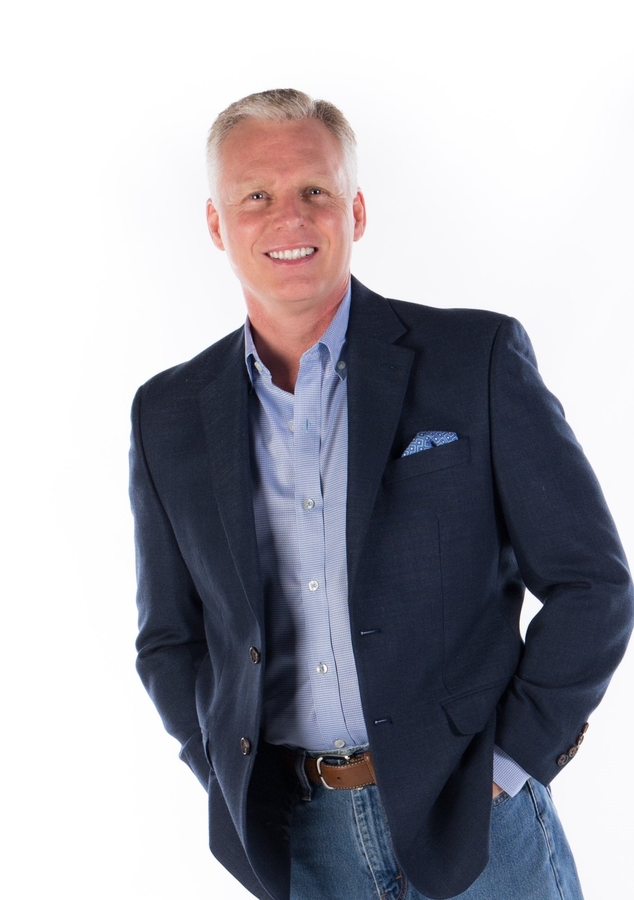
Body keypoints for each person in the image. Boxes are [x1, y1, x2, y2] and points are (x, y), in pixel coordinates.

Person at [129, 89, 634, 900]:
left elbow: (593, 586)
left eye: (314, 190)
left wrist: (509, 765)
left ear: (355, 211)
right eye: (255, 196)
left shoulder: (475, 358)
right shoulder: (168, 414)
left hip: (480, 827)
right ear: (218, 224)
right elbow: (169, 639)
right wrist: (226, 770)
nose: (289, 218)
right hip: (300, 842)